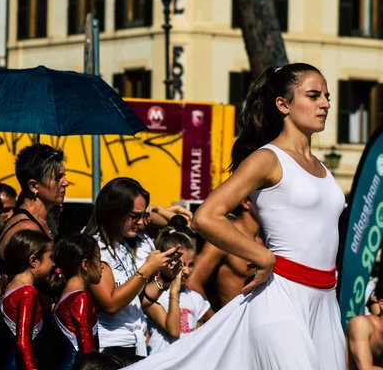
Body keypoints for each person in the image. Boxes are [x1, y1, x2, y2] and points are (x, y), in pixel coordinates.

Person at [125, 63, 345, 370]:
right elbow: (205, 216)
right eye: (313, 95)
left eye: (326, 96)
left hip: (325, 302)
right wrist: (262, 256)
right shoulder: (267, 158)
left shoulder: (322, 168)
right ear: (283, 104)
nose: (325, 103)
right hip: (280, 299)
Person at [85, 177, 182, 363]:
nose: (140, 222)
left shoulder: (131, 242)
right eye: (134, 216)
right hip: (109, 347)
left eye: (142, 215)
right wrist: (147, 268)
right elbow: (111, 304)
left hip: (136, 343)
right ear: (114, 212)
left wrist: (165, 278)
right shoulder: (94, 246)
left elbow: (139, 301)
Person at [185, 198, 262, 318]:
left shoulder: (268, 239)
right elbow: (192, 283)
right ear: (246, 203)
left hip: (259, 324)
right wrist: (214, 322)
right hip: (232, 324)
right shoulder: (225, 237)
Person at [0, 144, 68, 268]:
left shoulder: (43, 221)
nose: (65, 183)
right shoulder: (27, 228)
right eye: (57, 178)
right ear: (34, 186)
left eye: (64, 176)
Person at [0, 230, 54, 370]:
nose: (54, 264)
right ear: (33, 261)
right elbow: (23, 342)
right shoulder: (27, 292)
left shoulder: (8, 290)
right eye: (51, 258)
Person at [146, 228, 210, 354]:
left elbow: (197, 337)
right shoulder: (154, 296)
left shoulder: (195, 298)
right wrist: (174, 292)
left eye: (190, 264)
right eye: (180, 264)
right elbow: (174, 331)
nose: (186, 270)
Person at [50, 233, 104, 370]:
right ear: (85, 264)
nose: (102, 266)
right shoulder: (80, 299)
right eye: (99, 259)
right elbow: (87, 352)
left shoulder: (63, 297)